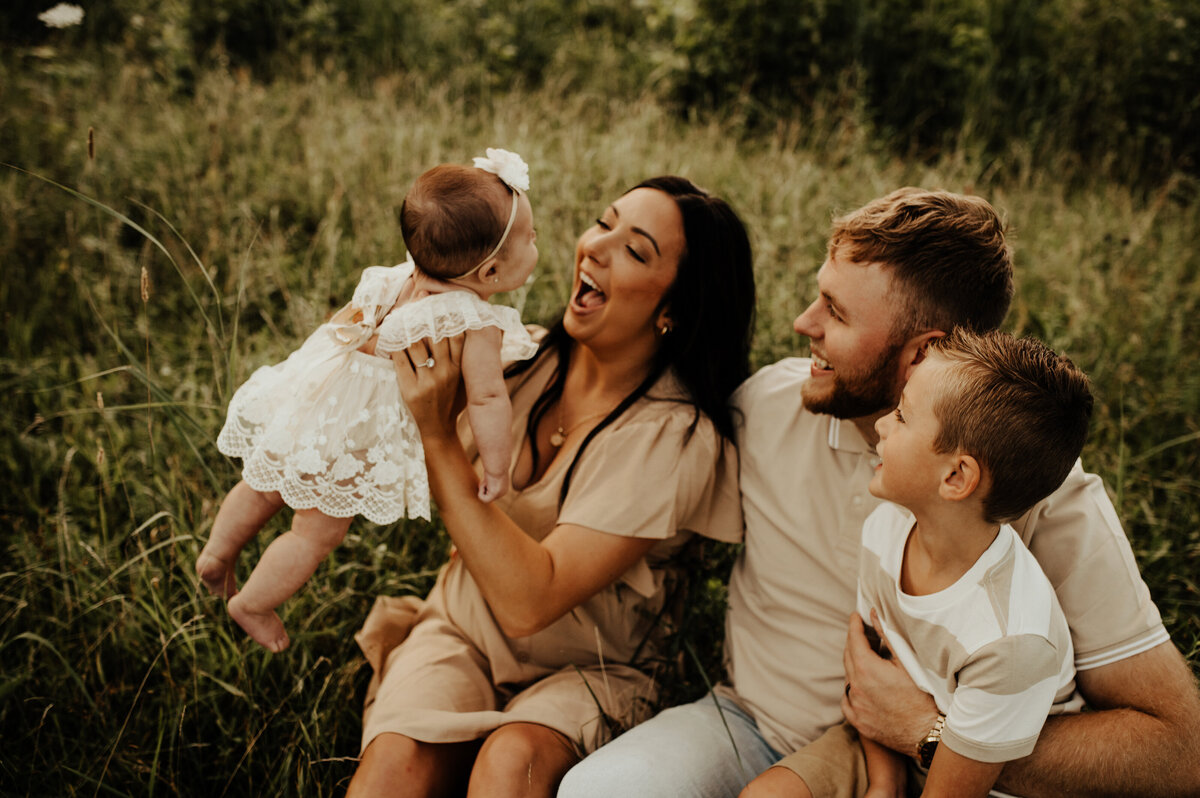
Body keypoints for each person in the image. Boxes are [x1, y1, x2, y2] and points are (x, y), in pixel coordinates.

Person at [559, 188, 1200, 797]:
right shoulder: (767, 407)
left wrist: (929, 734)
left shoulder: (1037, 490)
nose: (802, 322)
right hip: (749, 730)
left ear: (926, 355)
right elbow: (624, 443)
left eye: (836, 312)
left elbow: (1179, 754)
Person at [344, 175, 757, 797]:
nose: (595, 246)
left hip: (595, 667)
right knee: (394, 765)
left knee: (512, 762)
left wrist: (438, 438)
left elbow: (531, 601)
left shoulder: (673, 437)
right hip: (464, 628)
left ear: (674, 309)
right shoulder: (515, 357)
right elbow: (357, 356)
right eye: (604, 222)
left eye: (636, 250)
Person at [197, 149, 541, 652]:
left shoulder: (391, 277)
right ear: (489, 275)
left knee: (262, 483)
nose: (536, 243)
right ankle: (252, 603)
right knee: (314, 534)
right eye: (530, 238)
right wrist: (495, 468)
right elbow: (488, 398)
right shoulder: (474, 320)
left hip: (318, 392)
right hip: (357, 426)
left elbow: (344, 325)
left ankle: (215, 554)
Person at [757, 328, 1093, 798]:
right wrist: (882, 784)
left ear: (956, 476)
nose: (881, 426)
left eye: (901, 416)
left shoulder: (1011, 641)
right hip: (886, 745)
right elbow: (871, 676)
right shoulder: (887, 528)